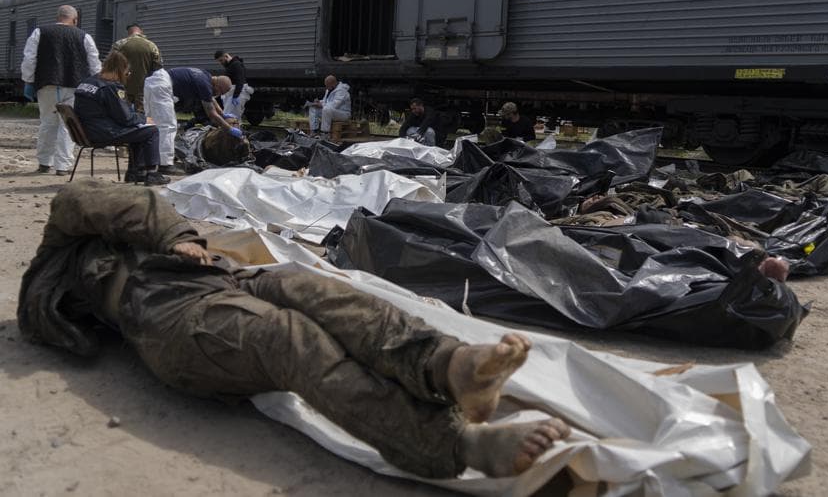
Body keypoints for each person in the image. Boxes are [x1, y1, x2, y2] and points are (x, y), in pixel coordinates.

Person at [18, 180, 571, 479]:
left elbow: (109, 200)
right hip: (165, 316)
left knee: (314, 288)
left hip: (219, 279)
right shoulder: (51, 267)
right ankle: (458, 444)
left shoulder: (123, 232)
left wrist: (175, 238)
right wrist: (172, 238)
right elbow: (76, 203)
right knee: (287, 338)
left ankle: (446, 365)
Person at [20, 5, 101, 175]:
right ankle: (63, 166)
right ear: (75, 20)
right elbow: (94, 63)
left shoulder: (39, 32)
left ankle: (44, 162)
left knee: (48, 122)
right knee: (68, 125)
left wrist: (28, 80)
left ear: (57, 17)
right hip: (74, 86)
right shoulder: (84, 36)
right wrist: (96, 83)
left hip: (47, 84)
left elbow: (29, 58)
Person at [73, 51, 170, 186]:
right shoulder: (110, 87)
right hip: (104, 133)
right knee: (151, 131)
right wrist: (143, 119)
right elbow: (126, 118)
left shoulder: (88, 82)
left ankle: (136, 172)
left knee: (138, 132)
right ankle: (152, 173)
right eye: (127, 73)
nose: (127, 76)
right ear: (120, 70)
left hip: (88, 131)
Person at [168, 67, 243, 140]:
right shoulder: (205, 85)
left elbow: (211, 99)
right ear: (218, 85)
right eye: (221, 92)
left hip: (167, 80)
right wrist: (229, 129)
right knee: (168, 125)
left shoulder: (206, 76)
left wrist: (222, 114)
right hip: (165, 85)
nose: (219, 94)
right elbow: (212, 114)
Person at [111, 23, 162, 113]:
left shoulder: (120, 44)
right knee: (141, 114)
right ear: (141, 31)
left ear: (129, 32)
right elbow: (158, 67)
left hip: (123, 86)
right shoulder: (152, 46)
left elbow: (110, 64)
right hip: (143, 87)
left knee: (123, 112)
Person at [214, 50, 253, 120]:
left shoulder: (236, 65)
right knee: (231, 116)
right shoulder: (230, 65)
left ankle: (235, 127)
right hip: (233, 94)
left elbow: (240, 81)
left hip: (237, 93)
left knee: (232, 117)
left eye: (221, 60)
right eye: (219, 61)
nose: (221, 63)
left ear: (226, 56)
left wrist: (235, 96)